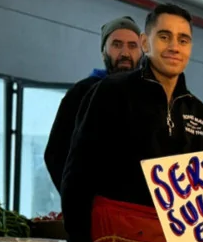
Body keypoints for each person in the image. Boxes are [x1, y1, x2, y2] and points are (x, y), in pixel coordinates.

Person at [61, 3, 203, 242]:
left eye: (183, 40)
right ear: (145, 42)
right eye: (164, 36)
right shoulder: (111, 92)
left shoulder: (196, 111)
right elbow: (77, 171)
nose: (174, 47)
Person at [44, 16, 142, 193]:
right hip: (93, 209)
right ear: (103, 51)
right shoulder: (81, 93)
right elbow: (55, 154)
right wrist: (76, 202)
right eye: (117, 45)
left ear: (142, 52)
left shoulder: (150, 97)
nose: (125, 53)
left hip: (138, 213)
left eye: (132, 46)